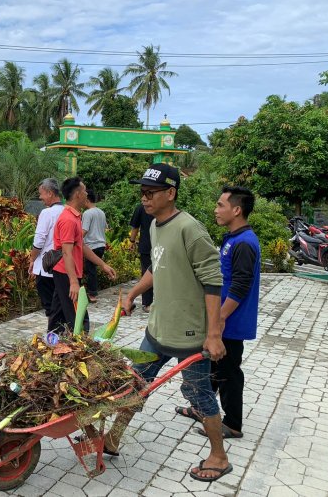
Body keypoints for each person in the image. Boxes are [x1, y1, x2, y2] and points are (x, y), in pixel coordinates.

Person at [105, 163, 232, 483]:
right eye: (142, 193)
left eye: (151, 193)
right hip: (157, 329)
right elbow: (156, 268)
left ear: (171, 193)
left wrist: (214, 333)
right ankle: (113, 438)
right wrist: (132, 292)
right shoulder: (155, 225)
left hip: (189, 334)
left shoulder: (190, 228)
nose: (144, 199)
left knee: (198, 394)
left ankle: (219, 455)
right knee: (135, 385)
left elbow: (213, 280)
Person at [176, 185, 260, 440]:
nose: (216, 209)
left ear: (236, 210)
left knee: (229, 372)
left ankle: (233, 423)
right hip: (223, 319)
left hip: (231, 323)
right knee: (212, 367)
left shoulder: (244, 243)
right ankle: (202, 408)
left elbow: (240, 285)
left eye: (220, 205)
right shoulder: (234, 238)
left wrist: (220, 318)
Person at [49, 177, 116, 334]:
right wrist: (73, 282)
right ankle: (82, 345)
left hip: (65, 272)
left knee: (58, 314)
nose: (87, 193)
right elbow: (66, 252)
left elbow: (82, 246)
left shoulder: (75, 217)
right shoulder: (68, 219)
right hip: (66, 273)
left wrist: (103, 265)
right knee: (78, 316)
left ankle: (52, 343)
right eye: (84, 190)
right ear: (78, 194)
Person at [29, 178, 64, 317]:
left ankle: (54, 333)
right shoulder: (67, 211)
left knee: (50, 307)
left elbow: (39, 240)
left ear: (50, 193)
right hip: (62, 266)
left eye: (41, 193)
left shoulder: (47, 213)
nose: (40, 197)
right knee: (60, 304)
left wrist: (32, 259)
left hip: (46, 267)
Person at [82, 189, 107, 303]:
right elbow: (105, 228)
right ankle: (92, 291)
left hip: (91, 246)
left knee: (90, 270)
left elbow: (84, 231)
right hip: (101, 245)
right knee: (92, 270)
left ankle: (92, 294)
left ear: (87, 199)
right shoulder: (101, 212)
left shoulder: (87, 213)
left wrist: (74, 240)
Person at [129, 202, 155, 313]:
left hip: (146, 246)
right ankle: (150, 303)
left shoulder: (140, 207)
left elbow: (135, 226)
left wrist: (132, 241)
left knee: (146, 273)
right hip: (156, 245)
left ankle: (148, 304)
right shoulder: (160, 205)